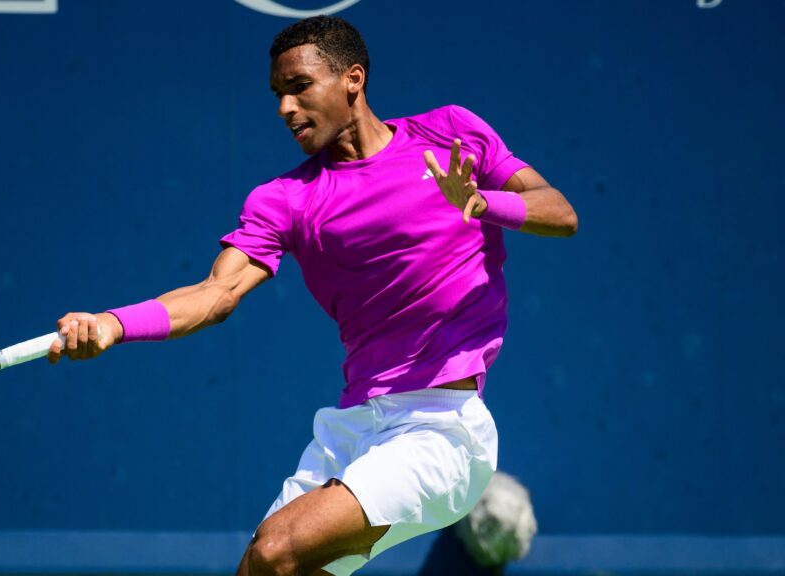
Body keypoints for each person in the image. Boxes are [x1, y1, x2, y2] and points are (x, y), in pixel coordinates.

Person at [47, 15, 577, 576]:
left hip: (441, 427)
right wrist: (112, 322)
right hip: (352, 429)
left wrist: (482, 203)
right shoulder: (286, 199)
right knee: (259, 566)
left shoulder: (450, 133)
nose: (285, 109)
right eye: (278, 95)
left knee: (279, 548)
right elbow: (216, 292)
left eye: (299, 87)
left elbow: (560, 213)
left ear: (353, 79)